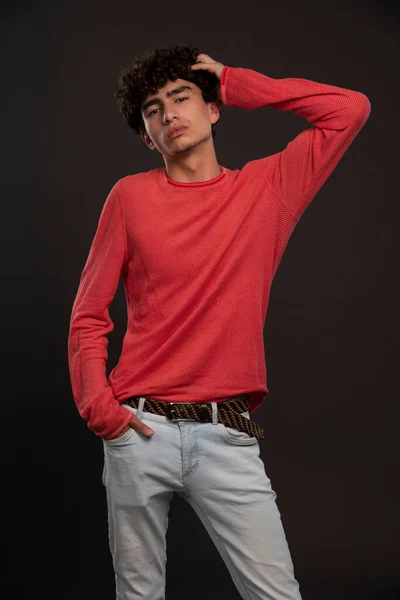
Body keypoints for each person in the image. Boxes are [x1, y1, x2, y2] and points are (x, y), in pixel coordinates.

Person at [67, 43, 371, 600]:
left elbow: (349, 109)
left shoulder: (268, 190)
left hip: (227, 433)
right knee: (138, 595)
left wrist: (236, 81)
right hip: (140, 429)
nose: (169, 114)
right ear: (146, 135)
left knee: (275, 593)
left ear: (212, 109)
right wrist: (100, 409)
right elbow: (88, 314)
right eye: (153, 110)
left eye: (181, 97)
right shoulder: (129, 198)